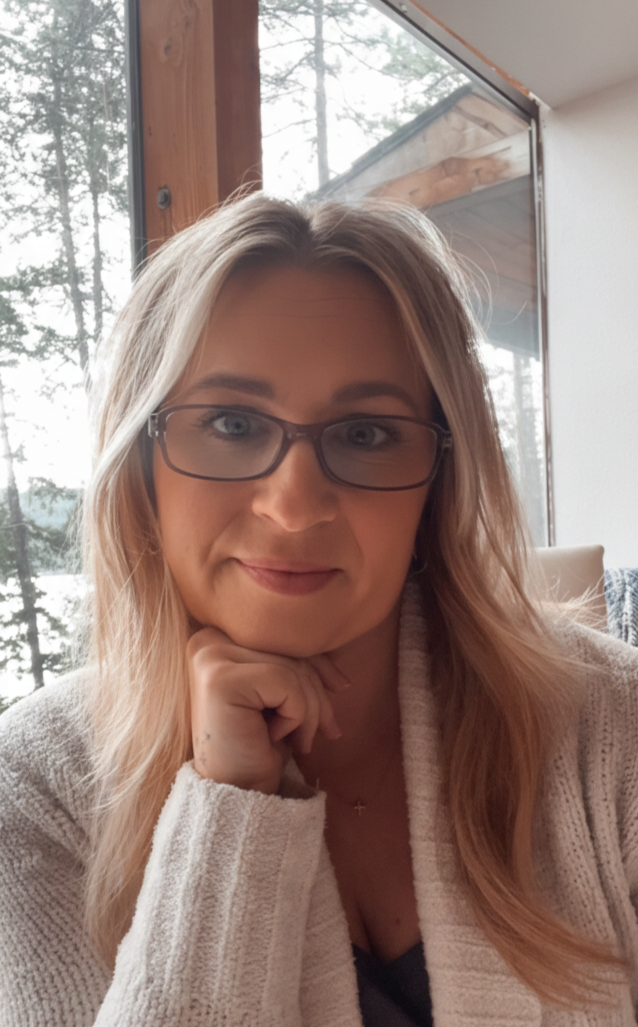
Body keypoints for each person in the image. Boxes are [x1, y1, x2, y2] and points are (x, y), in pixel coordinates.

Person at [1, 193, 637, 1027]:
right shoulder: (37, 786)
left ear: (440, 478)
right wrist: (230, 806)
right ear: (140, 465)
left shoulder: (611, 725)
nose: (295, 506)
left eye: (366, 433)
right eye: (231, 422)